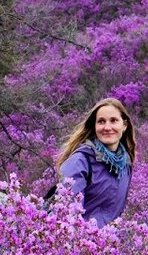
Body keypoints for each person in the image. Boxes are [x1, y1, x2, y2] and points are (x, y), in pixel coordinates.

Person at [54, 97, 135, 227]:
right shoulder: (80, 162)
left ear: (124, 125)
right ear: (95, 126)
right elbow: (67, 214)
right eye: (101, 122)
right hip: (78, 241)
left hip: (107, 243)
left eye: (113, 121)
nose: (107, 127)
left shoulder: (125, 164)